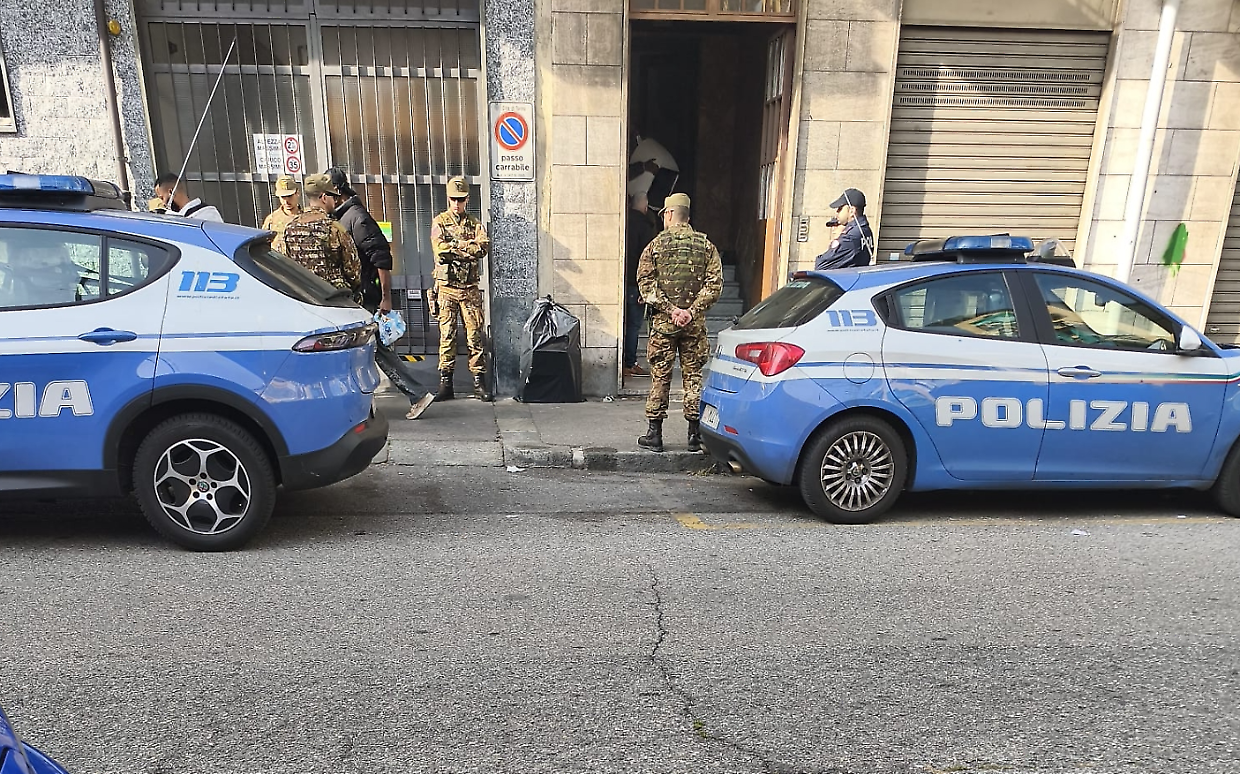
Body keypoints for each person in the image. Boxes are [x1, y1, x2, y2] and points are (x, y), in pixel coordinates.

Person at [324, 167, 435, 421]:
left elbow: (382, 259)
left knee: (375, 349)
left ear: (337, 193)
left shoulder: (357, 218)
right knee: (372, 349)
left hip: (367, 298)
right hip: (355, 298)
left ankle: (415, 394)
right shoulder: (344, 217)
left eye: (325, 195)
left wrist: (386, 298)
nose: (322, 200)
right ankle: (406, 396)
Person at [635, 192, 723, 454]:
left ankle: (655, 435)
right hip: (693, 326)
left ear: (670, 214)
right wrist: (691, 311)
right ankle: (694, 436)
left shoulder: (656, 245)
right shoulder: (706, 246)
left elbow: (645, 283)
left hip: (663, 325)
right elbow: (714, 285)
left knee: (660, 377)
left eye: (664, 215)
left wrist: (671, 309)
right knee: (693, 377)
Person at [431, 176, 491, 402]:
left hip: (469, 289)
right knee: (447, 337)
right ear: (448, 198)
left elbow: (482, 247)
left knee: (475, 335)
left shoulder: (474, 223)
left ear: (467, 199)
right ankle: (446, 383)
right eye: (454, 199)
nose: (457, 204)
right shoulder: (440, 222)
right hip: (447, 288)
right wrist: (466, 247)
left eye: (461, 199)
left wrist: (456, 246)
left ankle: (479, 382)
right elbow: (440, 250)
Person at [272, 173, 360, 293]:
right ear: (324, 197)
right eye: (333, 197)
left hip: (303, 296)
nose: (335, 201)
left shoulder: (289, 228)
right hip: (334, 298)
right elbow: (353, 273)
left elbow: (284, 264)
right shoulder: (334, 229)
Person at [623, 191, 655, 378]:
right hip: (635, 284)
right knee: (634, 326)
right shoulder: (645, 226)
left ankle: (624, 362)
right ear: (644, 206)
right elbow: (647, 261)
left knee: (625, 324)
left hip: (622, 282)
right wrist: (645, 289)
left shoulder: (624, 221)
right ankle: (630, 363)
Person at [814, 187, 875, 271]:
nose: (837, 213)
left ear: (851, 211)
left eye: (840, 209)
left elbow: (821, 265)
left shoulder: (850, 237)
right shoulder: (865, 230)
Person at [153, 173, 224, 222]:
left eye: (162, 198)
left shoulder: (208, 214)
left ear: (171, 192)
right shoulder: (171, 218)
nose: (163, 203)